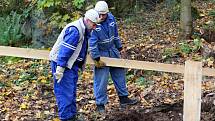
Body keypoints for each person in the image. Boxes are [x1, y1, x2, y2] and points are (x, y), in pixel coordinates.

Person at [49, 9, 99, 121]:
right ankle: (66, 118)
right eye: (94, 24)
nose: (95, 27)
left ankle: (72, 115)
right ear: (87, 20)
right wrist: (60, 69)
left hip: (72, 64)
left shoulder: (85, 29)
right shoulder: (75, 31)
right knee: (64, 92)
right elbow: (65, 51)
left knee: (71, 91)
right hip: (63, 64)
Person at [88, 1, 138, 113]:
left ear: (107, 13)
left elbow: (116, 35)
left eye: (103, 14)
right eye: (99, 14)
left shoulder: (111, 19)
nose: (101, 17)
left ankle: (124, 98)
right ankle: (100, 104)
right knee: (101, 80)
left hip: (112, 50)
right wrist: (96, 58)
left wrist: (120, 48)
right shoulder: (94, 23)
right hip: (101, 54)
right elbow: (92, 44)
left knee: (119, 74)